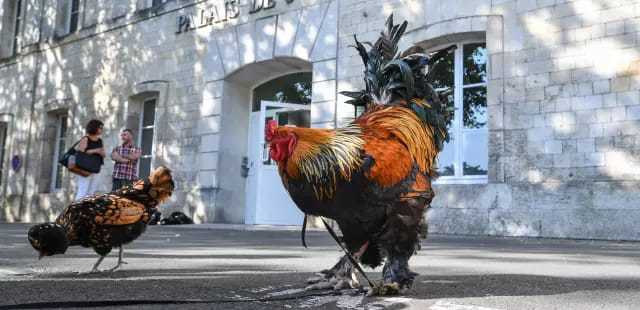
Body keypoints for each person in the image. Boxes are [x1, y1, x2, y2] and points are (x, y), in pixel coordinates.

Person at [75, 119, 105, 200]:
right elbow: (81, 152)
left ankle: (86, 210)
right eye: (100, 127)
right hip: (85, 167)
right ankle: (76, 210)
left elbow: (103, 154)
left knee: (92, 192)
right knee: (83, 190)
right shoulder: (86, 138)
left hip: (96, 167)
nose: (101, 129)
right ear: (94, 127)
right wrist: (96, 150)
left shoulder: (100, 140)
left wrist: (102, 153)